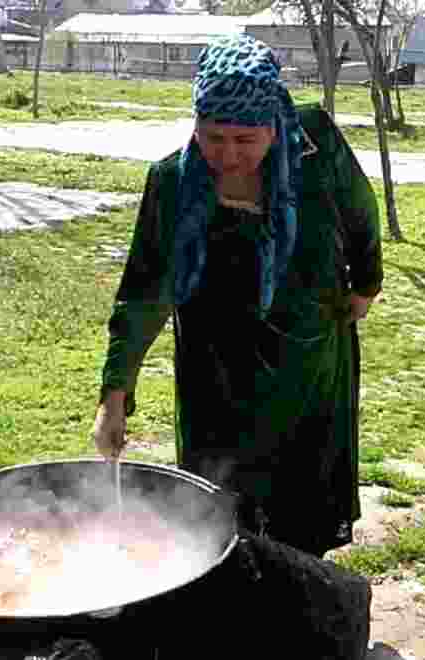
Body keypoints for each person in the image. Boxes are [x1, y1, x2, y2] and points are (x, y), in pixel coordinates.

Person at [93, 34, 383, 558]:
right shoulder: (173, 184)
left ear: (273, 124)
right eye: (214, 137)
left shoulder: (315, 149)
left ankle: (303, 582)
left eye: (246, 139)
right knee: (221, 500)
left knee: (304, 492)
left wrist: (366, 283)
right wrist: (114, 395)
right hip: (216, 367)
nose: (228, 155)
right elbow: (143, 292)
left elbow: (361, 212)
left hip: (308, 356)